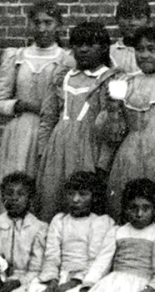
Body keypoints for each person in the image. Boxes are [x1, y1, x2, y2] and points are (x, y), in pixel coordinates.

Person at [0, 0, 74, 212]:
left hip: (51, 130)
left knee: (44, 187)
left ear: (59, 25)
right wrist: (22, 105)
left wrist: (49, 112)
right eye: (37, 22)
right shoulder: (16, 56)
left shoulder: (67, 59)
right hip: (19, 132)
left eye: (48, 22)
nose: (42, 28)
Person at [36, 22, 121, 220]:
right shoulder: (61, 77)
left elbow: (112, 125)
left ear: (104, 48)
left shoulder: (111, 79)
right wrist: (42, 153)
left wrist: (102, 164)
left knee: (87, 201)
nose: (83, 49)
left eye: (90, 44)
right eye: (78, 44)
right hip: (58, 148)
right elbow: (48, 118)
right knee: (53, 198)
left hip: (90, 147)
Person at [105, 25, 155, 224]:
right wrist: (112, 110)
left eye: (152, 49)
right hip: (129, 153)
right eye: (140, 50)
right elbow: (112, 131)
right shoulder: (126, 83)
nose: (145, 55)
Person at [110, 0, 155, 76]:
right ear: (117, 20)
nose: (132, 23)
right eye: (127, 17)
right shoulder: (110, 53)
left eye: (139, 17)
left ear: (148, 21)